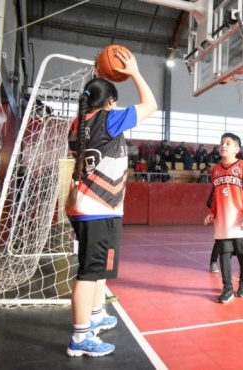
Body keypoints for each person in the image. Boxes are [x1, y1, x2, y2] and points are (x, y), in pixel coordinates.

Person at [65, 49, 157, 357]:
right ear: (110, 102)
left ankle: (95, 316)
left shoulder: (78, 124)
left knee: (98, 267)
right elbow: (151, 105)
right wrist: (133, 72)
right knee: (89, 272)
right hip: (97, 206)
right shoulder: (108, 120)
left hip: (87, 205)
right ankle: (80, 338)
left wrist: (99, 75)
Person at [204, 133, 243, 303]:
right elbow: (216, 195)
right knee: (224, 255)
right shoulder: (215, 170)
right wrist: (212, 212)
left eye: (228, 143)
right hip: (223, 222)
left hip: (242, 219)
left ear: (236, 149)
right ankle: (227, 289)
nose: (223, 146)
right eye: (221, 143)